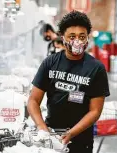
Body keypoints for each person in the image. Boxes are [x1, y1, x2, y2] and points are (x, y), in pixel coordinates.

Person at [28, 11, 110, 153]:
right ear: (63, 37)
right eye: (72, 36)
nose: (77, 41)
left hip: (81, 139)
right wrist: (42, 128)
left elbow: (95, 111)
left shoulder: (96, 68)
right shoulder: (50, 63)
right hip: (51, 136)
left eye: (82, 36)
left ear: (87, 38)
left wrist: (71, 133)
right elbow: (33, 100)